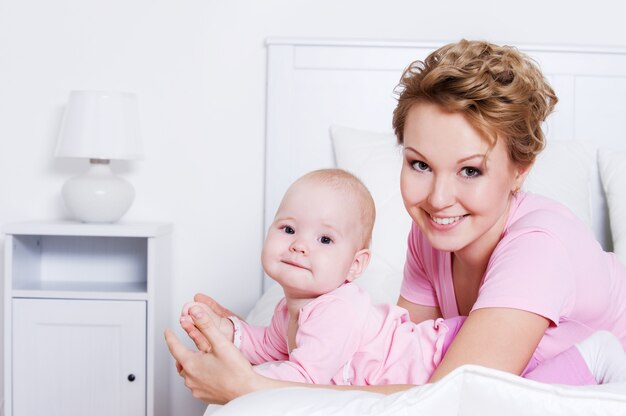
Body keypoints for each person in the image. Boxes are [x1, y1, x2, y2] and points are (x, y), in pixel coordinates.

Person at [165, 39, 626, 403]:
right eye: (420, 165)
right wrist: (265, 335)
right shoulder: (432, 235)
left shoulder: (539, 248)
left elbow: (448, 398)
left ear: (520, 171)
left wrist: (251, 388)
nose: (438, 199)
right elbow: (397, 360)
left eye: (470, 170)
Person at [178, 168, 626, 387]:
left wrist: (243, 380)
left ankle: (599, 356)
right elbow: (269, 344)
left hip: (448, 354)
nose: (299, 245)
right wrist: (226, 333)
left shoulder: (334, 310)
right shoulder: (291, 308)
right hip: (433, 344)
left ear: (356, 266)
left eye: (326, 240)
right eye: (288, 229)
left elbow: (304, 374)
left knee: (520, 394)